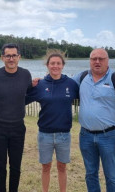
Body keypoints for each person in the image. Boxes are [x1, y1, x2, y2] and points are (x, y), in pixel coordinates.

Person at [72, 48, 115, 192]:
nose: (97, 62)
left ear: (107, 61)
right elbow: (61, 82)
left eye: (101, 59)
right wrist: (42, 81)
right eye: (94, 59)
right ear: (90, 61)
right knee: (90, 174)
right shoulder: (81, 77)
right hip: (85, 135)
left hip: (108, 136)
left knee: (111, 175)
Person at [26, 50, 79, 192]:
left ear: (63, 65)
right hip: (45, 134)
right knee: (46, 167)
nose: (55, 66)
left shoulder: (71, 84)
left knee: (62, 167)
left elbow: (85, 98)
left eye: (58, 63)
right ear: (47, 65)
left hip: (64, 134)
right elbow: (23, 99)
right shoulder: (40, 84)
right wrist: (29, 85)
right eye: (52, 63)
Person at [0, 43, 32, 192]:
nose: (11, 59)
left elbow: (27, 93)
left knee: (16, 166)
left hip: (18, 127)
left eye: (14, 55)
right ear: (2, 57)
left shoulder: (25, 75)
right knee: (0, 166)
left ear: (19, 57)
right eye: (8, 56)